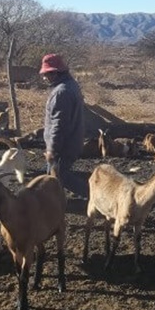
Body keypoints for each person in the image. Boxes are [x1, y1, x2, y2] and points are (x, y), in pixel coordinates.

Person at [39, 53, 88, 200]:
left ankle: (93, 197)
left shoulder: (61, 93)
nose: (44, 78)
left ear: (55, 73)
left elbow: (58, 125)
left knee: (59, 175)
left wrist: (52, 150)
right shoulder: (71, 85)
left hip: (64, 145)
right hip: (73, 140)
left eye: (46, 74)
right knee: (55, 177)